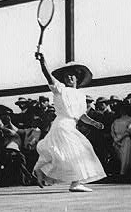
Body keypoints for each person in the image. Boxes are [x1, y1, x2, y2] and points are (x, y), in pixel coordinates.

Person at [32, 52, 106, 192]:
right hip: (62, 125)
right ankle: (75, 183)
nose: (69, 77)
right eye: (66, 76)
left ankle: (40, 170)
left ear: (77, 78)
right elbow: (48, 76)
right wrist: (43, 62)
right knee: (78, 151)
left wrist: (94, 123)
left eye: (71, 75)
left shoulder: (81, 95)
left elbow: (81, 115)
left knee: (64, 154)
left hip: (70, 126)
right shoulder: (60, 89)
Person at [111, 103, 131, 176]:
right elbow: (112, 131)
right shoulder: (116, 120)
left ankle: (123, 172)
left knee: (125, 157)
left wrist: (119, 139)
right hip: (117, 140)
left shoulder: (130, 119)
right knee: (119, 157)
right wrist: (115, 139)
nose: (122, 111)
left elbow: (129, 131)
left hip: (125, 140)